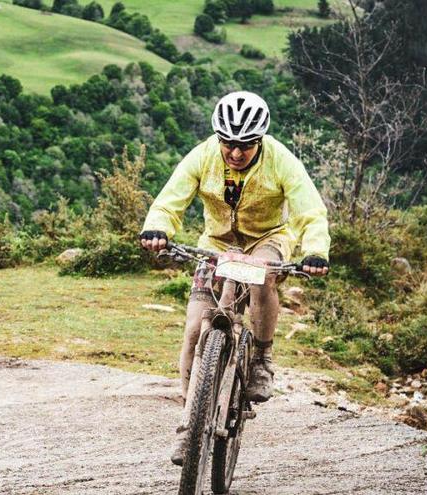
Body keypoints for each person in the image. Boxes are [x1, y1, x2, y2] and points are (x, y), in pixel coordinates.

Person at [139, 91, 331, 465]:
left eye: (245, 145)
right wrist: (157, 228)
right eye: (229, 144)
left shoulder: (280, 161)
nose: (237, 153)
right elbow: (169, 200)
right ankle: (189, 428)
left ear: (259, 140)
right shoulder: (203, 155)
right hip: (215, 243)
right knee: (195, 328)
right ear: (218, 138)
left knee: (261, 278)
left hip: (267, 239)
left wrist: (316, 251)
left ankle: (261, 358)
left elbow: (310, 210)